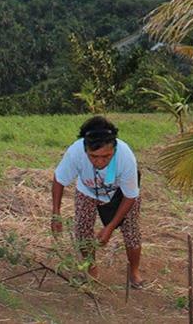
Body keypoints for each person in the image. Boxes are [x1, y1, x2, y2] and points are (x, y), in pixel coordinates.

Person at [51, 115, 143, 286]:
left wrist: (110, 227)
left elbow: (130, 196)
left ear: (114, 150)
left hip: (120, 193)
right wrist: (56, 213)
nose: (100, 162)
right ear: (85, 150)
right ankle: (90, 267)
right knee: (82, 229)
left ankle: (134, 271)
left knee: (131, 232)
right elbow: (59, 179)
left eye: (106, 156)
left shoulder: (125, 156)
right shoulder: (75, 153)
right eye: (94, 157)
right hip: (88, 191)